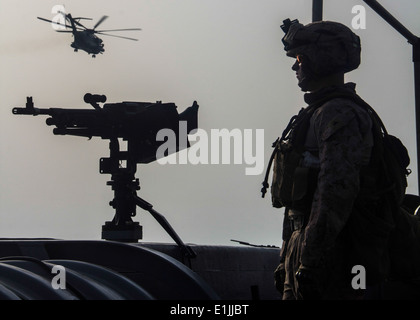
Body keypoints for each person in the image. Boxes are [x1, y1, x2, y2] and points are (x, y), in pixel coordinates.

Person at [269, 19, 395, 300]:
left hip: (334, 257)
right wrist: (285, 257)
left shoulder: (339, 113)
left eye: (300, 58)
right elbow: (296, 201)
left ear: (320, 59)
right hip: (303, 252)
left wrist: (311, 261)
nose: (295, 66)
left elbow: (335, 192)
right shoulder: (316, 113)